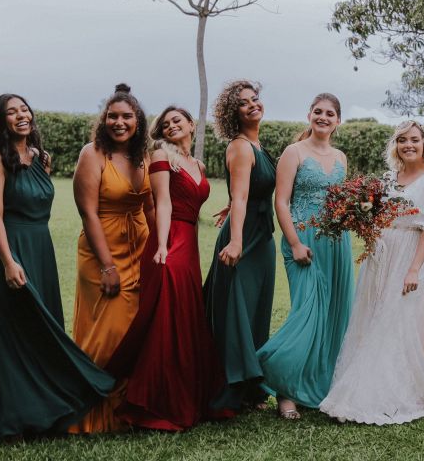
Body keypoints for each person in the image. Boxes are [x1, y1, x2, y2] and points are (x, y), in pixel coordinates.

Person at [0, 95, 114, 442]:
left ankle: (44, 413)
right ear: (0, 121)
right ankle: (6, 417)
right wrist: (9, 262)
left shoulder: (41, 158)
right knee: (8, 334)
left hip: (41, 249)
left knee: (40, 331)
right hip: (11, 250)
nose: (21, 115)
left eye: (24, 109)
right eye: (12, 112)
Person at [320, 121, 424, 424]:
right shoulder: (387, 179)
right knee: (372, 315)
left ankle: (385, 390)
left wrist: (413, 269)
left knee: (395, 316)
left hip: (408, 254)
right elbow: (376, 218)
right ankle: (360, 382)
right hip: (380, 256)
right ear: (395, 145)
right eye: (402, 140)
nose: (409, 145)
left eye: (414, 140)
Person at [106, 106, 228, 430]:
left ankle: (189, 395)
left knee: (186, 317)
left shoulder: (199, 165)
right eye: (166, 123)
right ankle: (155, 400)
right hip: (169, 242)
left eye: (177, 120)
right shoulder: (161, 155)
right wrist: (161, 245)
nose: (172, 125)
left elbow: (194, 206)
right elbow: (162, 202)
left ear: (191, 124)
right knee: (165, 320)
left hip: (190, 247)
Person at [257, 93, 354, 419]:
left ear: (338, 121)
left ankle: (316, 387)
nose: (323, 117)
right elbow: (281, 202)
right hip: (303, 241)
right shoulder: (294, 152)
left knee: (333, 314)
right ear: (309, 115)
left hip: (336, 243)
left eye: (330, 113)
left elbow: (340, 202)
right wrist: (295, 243)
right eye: (318, 111)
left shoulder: (340, 157)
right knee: (307, 314)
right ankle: (282, 388)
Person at [70, 83, 154, 433]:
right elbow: (88, 213)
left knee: (135, 329)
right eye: (112, 116)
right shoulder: (93, 154)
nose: (119, 122)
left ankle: (124, 411)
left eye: (126, 116)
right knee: (107, 331)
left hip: (139, 248)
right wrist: (107, 266)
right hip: (102, 249)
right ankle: (90, 408)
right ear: (104, 120)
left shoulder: (143, 155)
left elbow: (150, 205)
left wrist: (161, 249)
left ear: (138, 121)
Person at [204, 79, 278, 413]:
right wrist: (235, 241)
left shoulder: (257, 145)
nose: (253, 105)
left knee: (256, 310)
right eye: (244, 103)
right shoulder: (240, 146)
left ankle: (251, 388)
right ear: (234, 114)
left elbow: (247, 191)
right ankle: (231, 386)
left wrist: (233, 206)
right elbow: (241, 196)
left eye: (255, 98)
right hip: (243, 239)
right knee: (237, 310)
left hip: (262, 236)